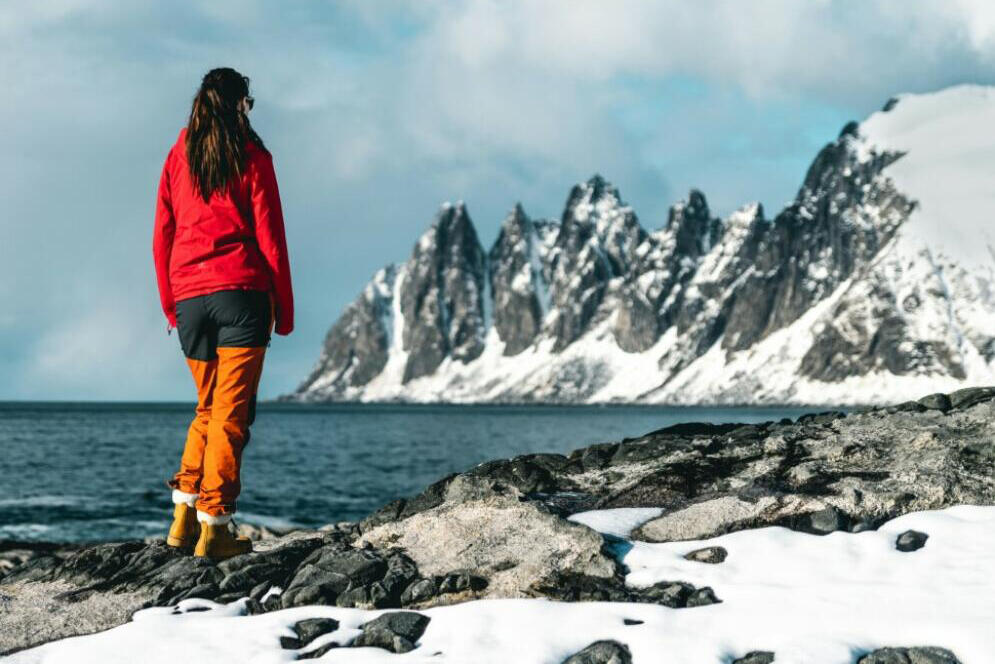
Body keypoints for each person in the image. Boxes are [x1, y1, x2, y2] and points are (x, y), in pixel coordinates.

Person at [152, 67, 294, 560]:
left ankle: (182, 517)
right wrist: (286, 309)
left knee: (208, 409)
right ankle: (216, 528)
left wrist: (171, 302)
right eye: (247, 104)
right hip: (241, 296)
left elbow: (162, 234)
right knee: (231, 415)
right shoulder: (253, 156)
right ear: (240, 105)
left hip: (189, 300)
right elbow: (271, 237)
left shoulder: (178, 156)